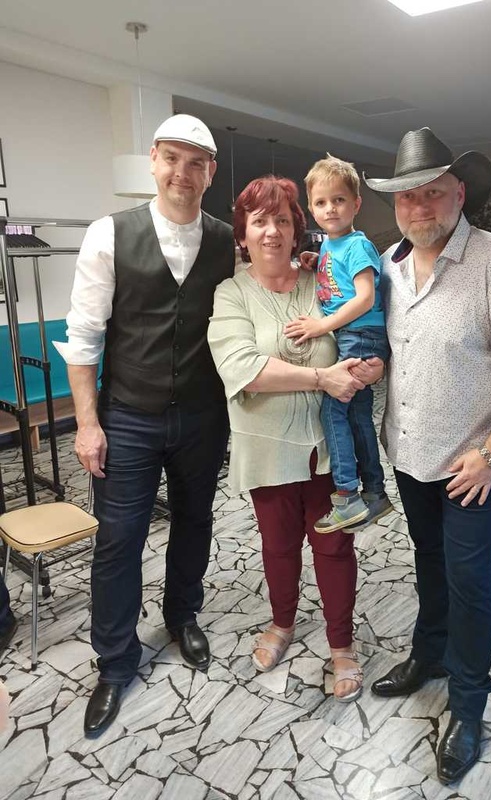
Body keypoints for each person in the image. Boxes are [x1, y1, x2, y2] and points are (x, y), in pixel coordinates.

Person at [365, 128, 491, 784]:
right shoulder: (388, 267)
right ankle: (430, 655)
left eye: (433, 193)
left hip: (472, 466)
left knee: (469, 581)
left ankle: (468, 705)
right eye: (407, 197)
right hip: (410, 453)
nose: (419, 207)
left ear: (460, 195)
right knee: (429, 562)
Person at [56, 114, 234, 736]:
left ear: (210, 173)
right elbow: (83, 337)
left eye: (196, 163)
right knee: (118, 539)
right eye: (172, 159)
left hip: (203, 414)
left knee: (195, 520)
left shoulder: (226, 241)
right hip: (127, 416)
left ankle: (182, 615)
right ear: (153, 161)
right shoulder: (109, 234)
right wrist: (86, 424)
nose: (183, 173)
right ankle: (115, 661)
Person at [208, 175, 382, 702]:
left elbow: (363, 327)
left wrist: (372, 366)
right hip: (267, 447)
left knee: (334, 548)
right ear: (243, 232)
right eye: (259, 221)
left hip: (329, 450)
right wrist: (322, 378)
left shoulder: (320, 280)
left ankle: (341, 644)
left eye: (282, 220)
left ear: (296, 229)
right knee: (279, 546)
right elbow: (242, 368)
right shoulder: (231, 293)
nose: (271, 231)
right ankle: (282, 621)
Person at [284, 155, 392, 534]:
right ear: (311, 209)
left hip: (359, 335)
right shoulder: (333, 245)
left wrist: (320, 326)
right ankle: (375, 492)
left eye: (339, 200)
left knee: (332, 412)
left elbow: (364, 297)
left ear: (356, 204)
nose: (330, 208)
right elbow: (339, 279)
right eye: (321, 202)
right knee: (358, 416)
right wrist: (318, 261)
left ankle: (347, 495)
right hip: (355, 335)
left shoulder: (358, 246)